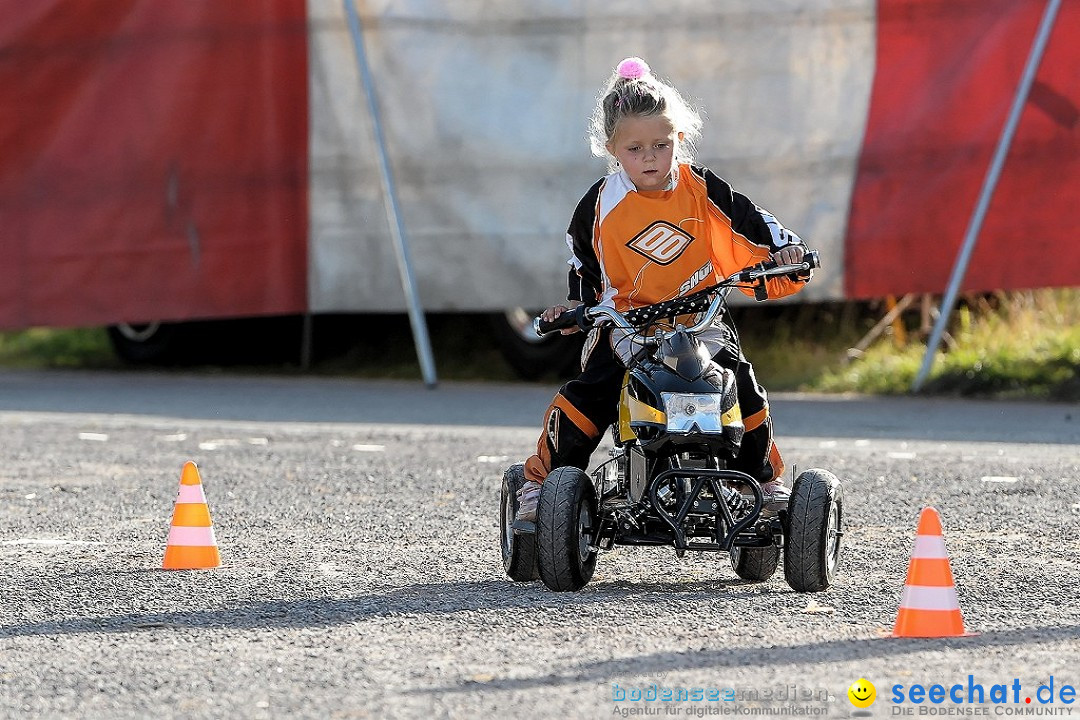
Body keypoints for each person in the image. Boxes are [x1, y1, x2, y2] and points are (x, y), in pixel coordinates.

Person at [513, 57, 812, 531]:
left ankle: (763, 482)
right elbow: (584, 265)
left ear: (681, 139)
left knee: (742, 385)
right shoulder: (598, 204)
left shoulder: (703, 188)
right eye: (635, 148)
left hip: (700, 322)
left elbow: (759, 229)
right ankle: (541, 480)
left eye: (661, 144)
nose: (650, 156)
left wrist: (786, 252)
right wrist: (578, 308)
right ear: (611, 148)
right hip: (628, 325)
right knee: (594, 393)